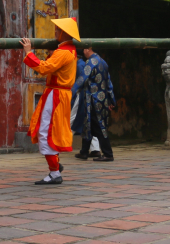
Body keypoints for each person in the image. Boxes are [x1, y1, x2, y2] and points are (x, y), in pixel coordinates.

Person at [20, 17, 79, 185]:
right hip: (59, 94)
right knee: (50, 130)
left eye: (57, 30)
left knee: (46, 131)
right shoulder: (69, 50)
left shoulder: (63, 52)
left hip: (56, 95)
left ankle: (54, 172)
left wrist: (28, 52)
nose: (55, 32)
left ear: (64, 33)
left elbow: (44, 68)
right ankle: (55, 166)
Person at [78, 46, 116, 162]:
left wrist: (72, 91)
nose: (83, 52)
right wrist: (112, 100)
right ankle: (84, 152)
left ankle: (108, 153)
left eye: (84, 49)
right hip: (102, 100)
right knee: (90, 125)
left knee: (97, 126)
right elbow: (109, 83)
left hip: (93, 101)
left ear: (88, 49)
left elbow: (82, 79)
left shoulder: (90, 62)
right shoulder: (103, 62)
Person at [71, 56, 101, 159]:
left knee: (75, 120)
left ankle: (61, 144)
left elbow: (80, 82)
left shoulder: (80, 65)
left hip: (83, 95)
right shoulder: (86, 64)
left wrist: (72, 93)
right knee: (90, 123)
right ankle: (95, 149)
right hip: (91, 95)